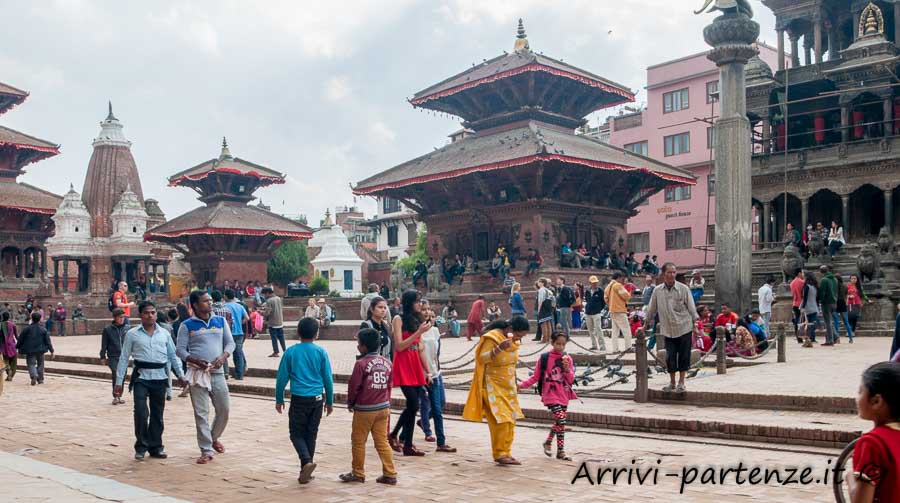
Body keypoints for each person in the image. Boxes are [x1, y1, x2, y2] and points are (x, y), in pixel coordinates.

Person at [114, 301, 185, 460]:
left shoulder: (165, 334)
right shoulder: (132, 334)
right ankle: (141, 445)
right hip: (141, 377)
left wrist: (181, 375)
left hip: (160, 377)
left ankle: (156, 446)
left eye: (153, 312)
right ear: (140, 315)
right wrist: (119, 382)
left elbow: (173, 356)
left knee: (157, 413)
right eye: (146, 312)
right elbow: (124, 358)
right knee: (140, 411)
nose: (150, 315)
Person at [177, 291, 236, 464]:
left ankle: (213, 437)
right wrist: (194, 359)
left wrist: (223, 357)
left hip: (217, 372)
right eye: (205, 301)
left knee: (224, 409)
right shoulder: (187, 325)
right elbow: (180, 350)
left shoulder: (220, 321)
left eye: (210, 300)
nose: (210, 303)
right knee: (201, 413)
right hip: (197, 373)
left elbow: (230, 343)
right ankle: (206, 449)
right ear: (195, 304)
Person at [275, 317, 334, 484]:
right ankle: (305, 470)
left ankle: (306, 461)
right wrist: (329, 401)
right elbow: (327, 379)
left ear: (298, 333)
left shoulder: (291, 352)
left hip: (299, 399)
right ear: (317, 333)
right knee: (311, 434)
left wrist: (279, 398)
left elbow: (282, 378)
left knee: (296, 434)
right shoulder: (321, 352)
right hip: (317, 399)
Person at [463, 316, 529, 465]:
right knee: (500, 419)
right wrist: (499, 349)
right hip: (492, 385)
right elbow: (482, 358)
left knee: (511, 419)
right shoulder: (492, 338)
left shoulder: (513, 342)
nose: (519, 339)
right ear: (510, 329)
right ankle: (499, 453)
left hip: (508, 386)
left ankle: (506, 451)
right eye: (519, 335)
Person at [339, 328, 398, 485]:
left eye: (359, 343)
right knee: (382, 441)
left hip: (365, 408)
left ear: (363, 347)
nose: (358, 346)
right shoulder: (387, 362)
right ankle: (390, 473)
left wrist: (351, 403)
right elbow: (389, 385)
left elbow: (354, 386)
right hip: (383, 407)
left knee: (358, 441)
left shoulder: (361, 364)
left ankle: (358, 472)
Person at [845, 362, 900, 502]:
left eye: (860, 392)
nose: (857, 398)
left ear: (876, 401)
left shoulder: (872, 444)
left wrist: (850, 479)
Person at [517, 332, 577, 461]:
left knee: (560, 421)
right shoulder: (544, 358)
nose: (560, 347)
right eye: (558, 344)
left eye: (563, 344)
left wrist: (567, 370)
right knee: (561, 418)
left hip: (563, 393)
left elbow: (571, 379)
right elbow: (536, 376)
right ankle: (553, 445)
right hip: (549, 393)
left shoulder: (568, 358)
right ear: (552, 343)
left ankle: (557, 448)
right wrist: (521, 385)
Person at [644, 263, 699, 393]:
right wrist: (645, 325)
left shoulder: (684, 289)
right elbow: (651, 309)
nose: (672, 275)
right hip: (668, 329)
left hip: (684, 327)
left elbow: (692, 308)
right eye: (669, 272)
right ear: (663, 274)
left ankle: (681, 382)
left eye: (674, 272)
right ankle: (672, 382)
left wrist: (695, 325)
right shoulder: (657, 290)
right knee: (670, 357)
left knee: (684, 356)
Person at [389, 290, 431, 456]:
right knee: (413, 404)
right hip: (403, 362)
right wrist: (419, 332)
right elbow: (399, 346)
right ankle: (400, 439)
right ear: (408, 303)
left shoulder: (416, 319)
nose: (419, 304)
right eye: (416, 301)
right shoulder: (398, 319)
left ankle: (401, 440)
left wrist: (427, 370)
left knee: (413, 406)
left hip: (414, 362)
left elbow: (419, 346)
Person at [417, 308, 456, 454]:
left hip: (434, 373)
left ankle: (440, 442)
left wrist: (436, 370)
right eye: (424, 310)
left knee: (440, 405)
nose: (427, 313)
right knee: (423, 404)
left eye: (430, 311)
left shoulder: (434, 331)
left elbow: (436, 354)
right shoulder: (416, 331)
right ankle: (427, 433)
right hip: (421, 374)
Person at [100, 309, 129, 405]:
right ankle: (115, 396)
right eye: (120, 317)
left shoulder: (127, 329)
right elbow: (104, 344)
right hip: (113, 356)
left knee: (123, 376)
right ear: (114, 318)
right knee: (116, 374)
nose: (122, 319)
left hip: (124, 356)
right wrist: (102, 356)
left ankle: (120, 395)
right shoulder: (108, 330)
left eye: (123, 317)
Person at [17, 311, 53, 386]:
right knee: (41, 364)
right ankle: (40, 379)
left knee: (31, 364)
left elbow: (20, 339)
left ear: (32, 319)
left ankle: (34, 375)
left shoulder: (26, 329)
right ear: (40, 319)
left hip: (30, 350)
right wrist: (51, 351)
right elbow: (48, 341)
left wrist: (17, 347)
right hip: (41, 349)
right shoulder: (43, 329)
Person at [604, 271, 633, 353]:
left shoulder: (608, 286)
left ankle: (615, 349)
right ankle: (628, 347)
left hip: (612, 310)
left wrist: (611, 303)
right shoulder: (618, 285)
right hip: (620, 310)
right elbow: (626, 296)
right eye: (621, 278)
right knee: (626, 330)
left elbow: (605, 298)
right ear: (618, 278)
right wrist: (629, 291)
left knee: (615, 332)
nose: (622, 280)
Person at [224, 290, 249, 380]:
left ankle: (225, 372)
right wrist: (239, 323)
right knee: (238, 353)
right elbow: (247, 318)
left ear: (226, 297)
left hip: (229, 333)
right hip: (239, 332)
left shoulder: (224, 306)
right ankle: (239, 374)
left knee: (224, 352)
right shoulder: (239, 306)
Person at [361, 296, 393, 360]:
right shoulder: (366, 325)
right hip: (370, 364)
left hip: (386, 364)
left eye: (385, 308)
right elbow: (363, 348)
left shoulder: (386, 326)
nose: (383, 310)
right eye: (380, 307)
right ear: (372, 309)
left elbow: (391, 350)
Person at [261, 287, 286, 357]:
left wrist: (261, 313)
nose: (264, 296)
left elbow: (268, 312)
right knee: (281, 337)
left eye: (264, 294)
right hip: (280, 321)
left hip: (273, 322)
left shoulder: (269, 301)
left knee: (274, 338)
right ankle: (285, 350)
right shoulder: (278, 298)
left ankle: (276, 352)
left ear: (268, 293)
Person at [584, 276, 606, 351]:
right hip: (588, 313)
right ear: (590, 283)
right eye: (593, 283)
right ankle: (594, 345)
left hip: (596, 313)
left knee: (598, 329)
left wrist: (599, 309)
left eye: (596, 283)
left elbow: (603, 302)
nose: (595, 284)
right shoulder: (587, 291)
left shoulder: (600, 291)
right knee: (590, 330)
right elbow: (587, 300)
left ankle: (602, 345)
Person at [819, 265, 838, 346]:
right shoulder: (835, 279)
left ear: (821, 272)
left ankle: (830, 340)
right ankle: (835, 336)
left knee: (828, 322)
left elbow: (822, 293)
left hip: (826, 303)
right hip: (834, 302)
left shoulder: (824, 280)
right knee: (830, 321)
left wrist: (821, 300)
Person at [833, 273, 854, 344]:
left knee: (836, 321)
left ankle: (837, 338)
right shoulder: (845, 286)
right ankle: (851, 338)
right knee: (846, 322)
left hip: (836, 302)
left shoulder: (834, 286)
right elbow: (846, 294)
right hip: (842, 302)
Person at [800, 273, 820, 344]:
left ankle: (808, 337)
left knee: (808, 324)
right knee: (812, 323)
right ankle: (812, 338)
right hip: (814, 306)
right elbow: (817, 298)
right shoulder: (815, 287)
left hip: (807, 306)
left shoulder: (807, 286)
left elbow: (805, 298)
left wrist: (803, 307)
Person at [536, 279, 555, 344]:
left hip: (543, 308)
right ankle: (549, 338)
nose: (538, 283)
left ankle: (544, 339)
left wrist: (539, 309)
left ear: (542, 283)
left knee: (543, 324)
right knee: (548, 324)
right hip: (548, 308)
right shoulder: (548, 290)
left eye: (539, 282)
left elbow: (540, 300)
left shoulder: (541, 290)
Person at [1, 312, 16, 383]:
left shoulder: (1, 325)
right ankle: (11, 374)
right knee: (13, 361)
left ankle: (8, 370)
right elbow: (16, 336)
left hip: (3, 346)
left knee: (5, 360)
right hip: (12, 344)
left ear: (2, 317)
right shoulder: (13, 325)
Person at [790, 269, 806, 337]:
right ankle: (802, 334)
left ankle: (797, 335)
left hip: (795, 303)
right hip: (801, 303)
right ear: (799, 273)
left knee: (797, 320)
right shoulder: (802, 282)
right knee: (803, 320)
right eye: (802, 273)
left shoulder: (792, 283)